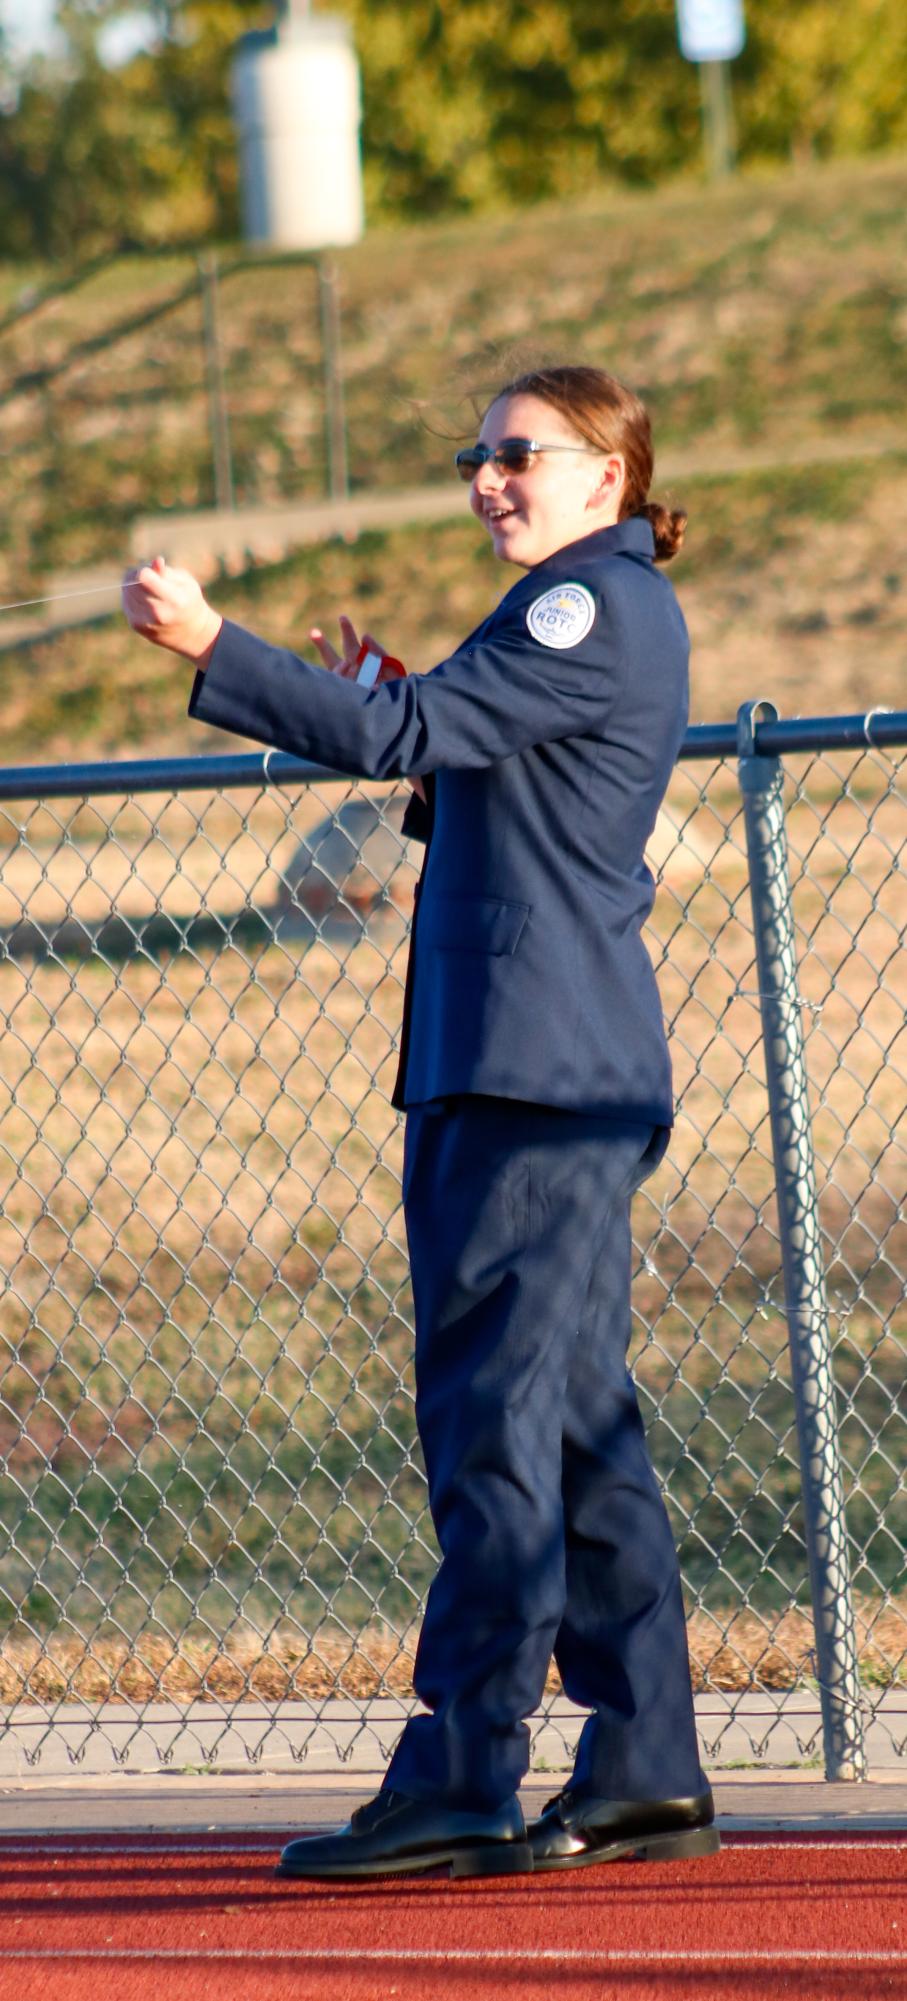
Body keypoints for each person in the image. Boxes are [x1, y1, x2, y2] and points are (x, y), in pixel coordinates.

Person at [122, 363, 718, 1882]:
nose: (489, 479)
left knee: (493, 1426)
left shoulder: (585, 604)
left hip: (530, 1073)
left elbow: (409, 741)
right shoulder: (579, 612)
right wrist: (388, 687)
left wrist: (215, 647)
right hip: (545, 1069)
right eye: (479, 456)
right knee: (574, 1424)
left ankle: (463, 1770)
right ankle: (646, 1757)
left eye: (521, 455)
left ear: (609, 474)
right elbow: (470, 769)